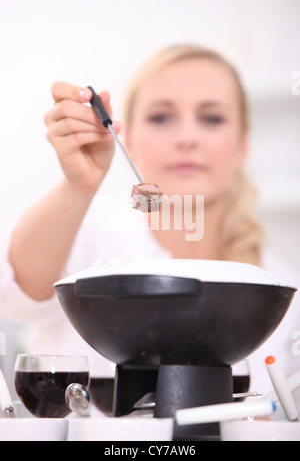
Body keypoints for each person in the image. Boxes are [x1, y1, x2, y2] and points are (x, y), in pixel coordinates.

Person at [0, 45, 299, 406]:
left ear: (243, 146)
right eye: (161, 117)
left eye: (212, 118)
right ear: (127, 139)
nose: (187, 138)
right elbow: (14, 295)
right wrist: (78, 185)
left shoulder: (279, 293)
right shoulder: (90, 251)